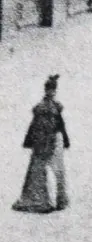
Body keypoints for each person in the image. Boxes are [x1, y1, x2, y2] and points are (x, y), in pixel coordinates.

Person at [13, 75, 69, 213]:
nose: (51, 92)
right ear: (46, 91)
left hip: (54, 141)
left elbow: (61, 125)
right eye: (49, 89)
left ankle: (60, 200)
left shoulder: (56, 107)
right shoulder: (40, 108)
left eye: (53, 90)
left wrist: (65, 140)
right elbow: (34, 125)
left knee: (58, 171)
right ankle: (39, 201)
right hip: (41, 142)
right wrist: (30, 140)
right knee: (38, 170)